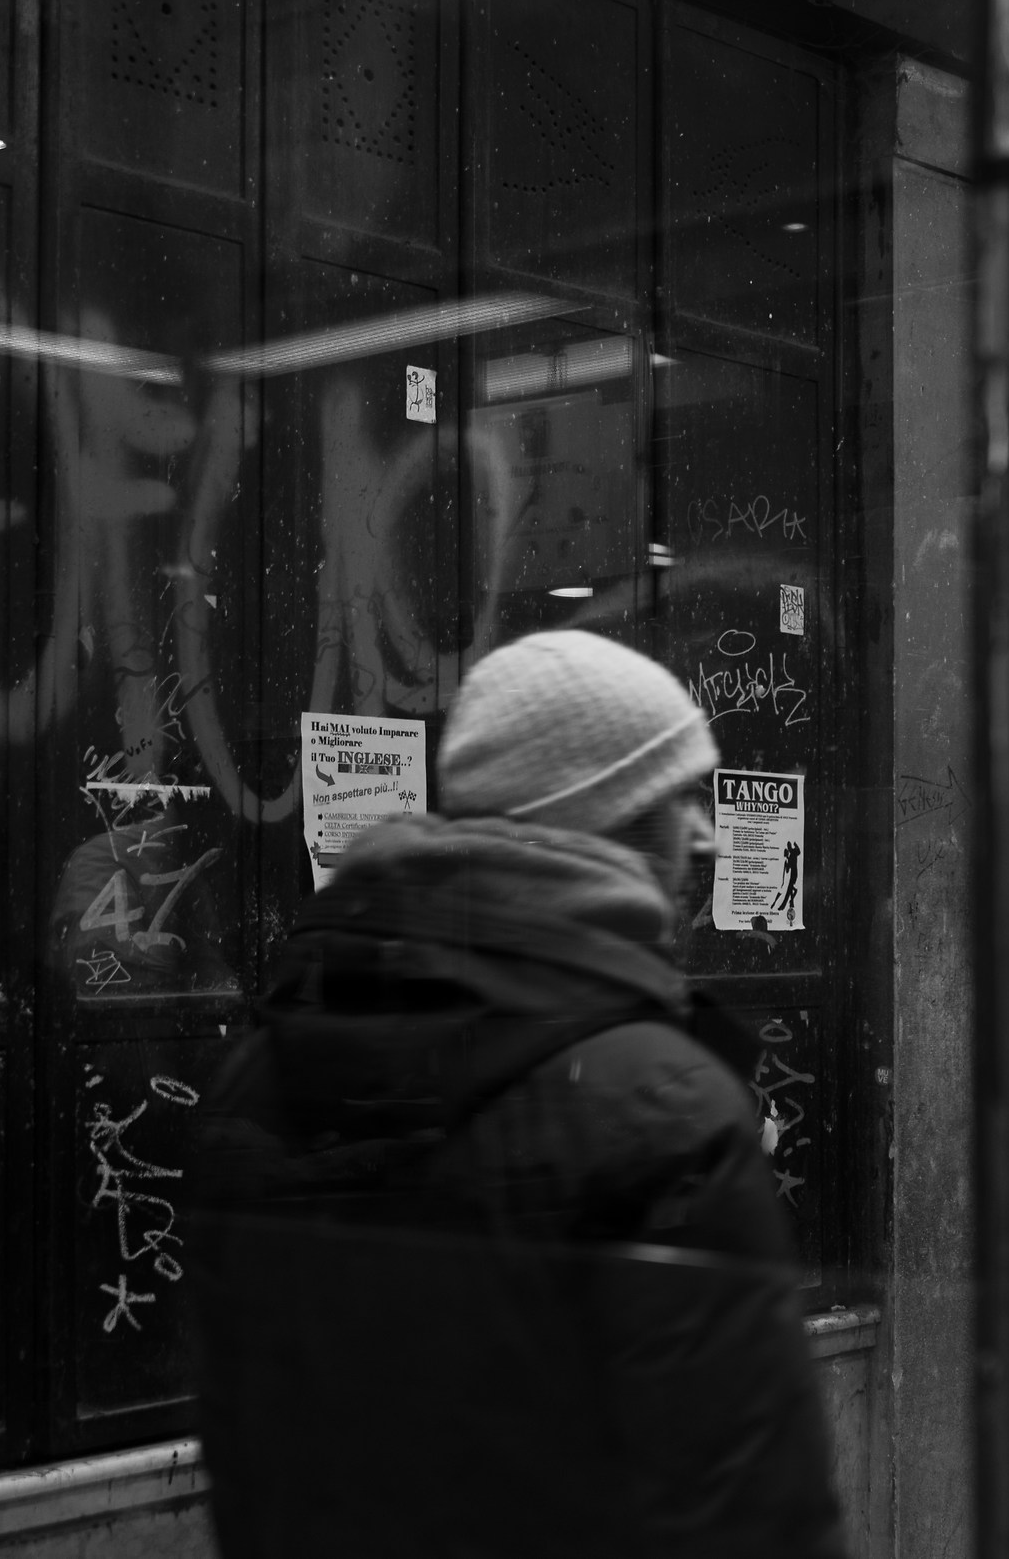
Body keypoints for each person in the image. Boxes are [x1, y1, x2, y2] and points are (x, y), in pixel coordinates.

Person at [191, 630, 843, 1559]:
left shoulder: (255, 1077)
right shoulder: (659, 1107)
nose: (703, 833)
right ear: (605, 814)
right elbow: (750, 1513)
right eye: (675, 795)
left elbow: (256, 1456)